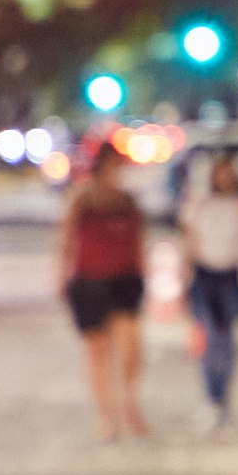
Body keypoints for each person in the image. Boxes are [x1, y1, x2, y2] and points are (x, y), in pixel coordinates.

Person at [56, 140, 149, 442]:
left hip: (124, 279)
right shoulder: (82, 199)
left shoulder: (127, 200)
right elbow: (66, 238)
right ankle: (106, 415)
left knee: (131, 348)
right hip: (89, 280)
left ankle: (128, 401)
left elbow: (138, 241)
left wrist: (142, 272)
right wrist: (61, 275)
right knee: (97, 351)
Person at [179, 153, 238, 430]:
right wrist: (183, 281)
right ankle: (212, 396)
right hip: (205, 276)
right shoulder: (200, 206)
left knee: (227, 341)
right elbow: (189, 243)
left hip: (231, 276)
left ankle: (223, 397)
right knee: (210, 338)